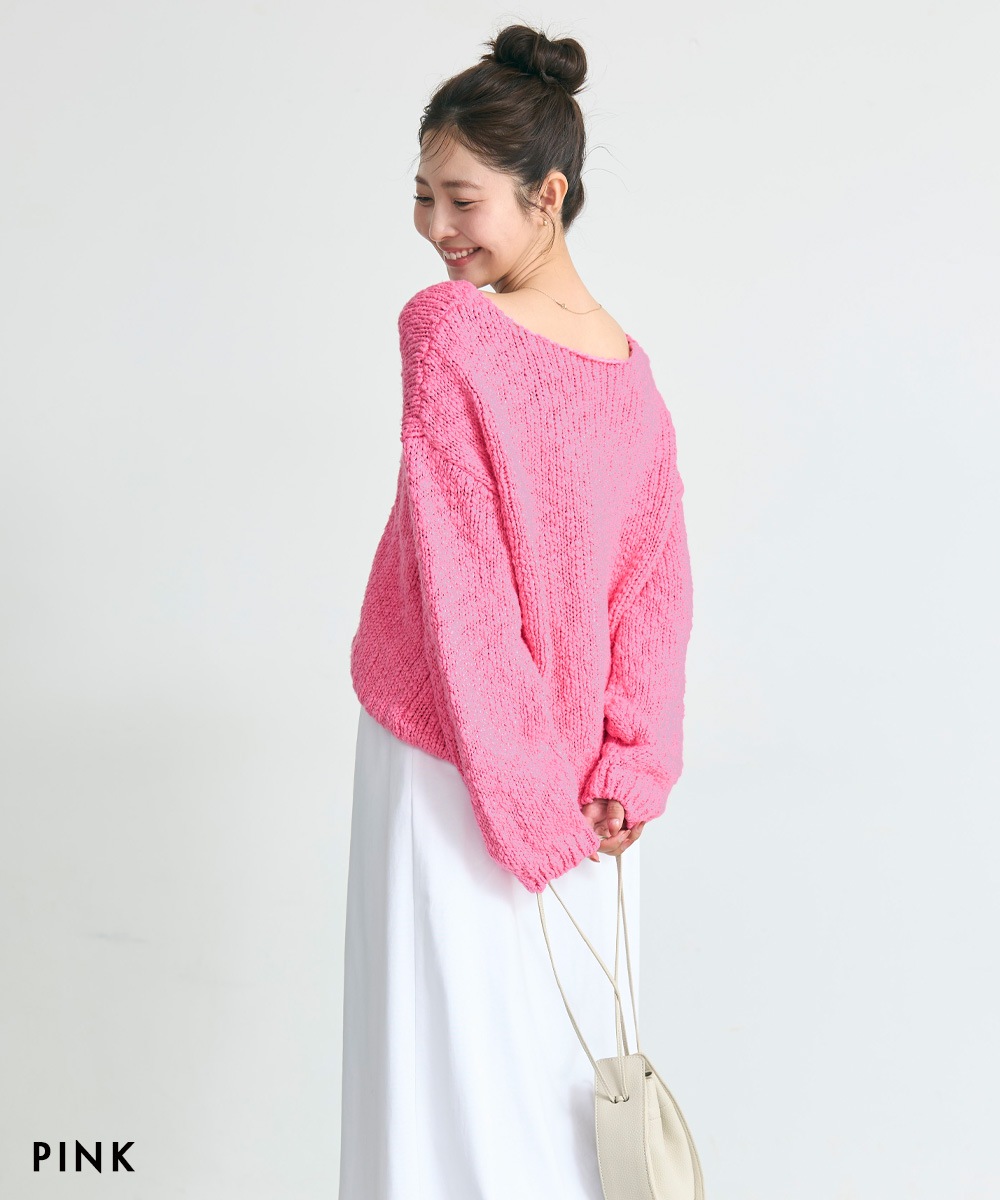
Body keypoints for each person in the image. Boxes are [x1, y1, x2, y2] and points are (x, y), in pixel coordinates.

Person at [339, 23, 694, 1200]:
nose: (437, 228)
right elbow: (650, 592)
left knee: (446, 1067)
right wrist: (625, 768)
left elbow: (475, 588)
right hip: (569, 789)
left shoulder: (452, 331)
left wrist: (546, 796)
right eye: (423, 197)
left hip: (467, 758)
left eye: (462, 200)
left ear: (547, 196)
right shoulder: (630, 367)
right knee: (543, 1072)